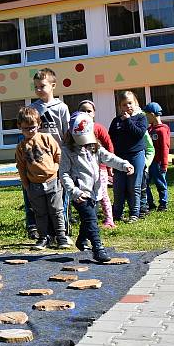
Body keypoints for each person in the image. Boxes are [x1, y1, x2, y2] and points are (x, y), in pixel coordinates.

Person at [61, 112, 134, 263]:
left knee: (88, 219)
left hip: (95, 192)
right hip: (80, 193)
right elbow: (64, 174)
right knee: (91, 219)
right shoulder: (68, 151)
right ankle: (98, 249)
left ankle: (81, 241)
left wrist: (124, 165)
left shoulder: (95, 148)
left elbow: (109, 158)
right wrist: (74, 191)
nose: (83, 143)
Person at [15, 106, 70, 250]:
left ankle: (61, 236)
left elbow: (58, 155)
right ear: (19, 127)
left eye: (32, 127)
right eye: (26, 128)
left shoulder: (46, 138)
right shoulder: (21, 147)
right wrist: (26, 185)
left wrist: (58, 171)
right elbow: (21, 167)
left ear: (39, 125)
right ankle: (43, 237)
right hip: (34, 185)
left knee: (56, 210)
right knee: (40, 213)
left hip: (53, 181)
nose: (30, 131)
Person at [30, 67, 72, 235]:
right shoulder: (33, 108)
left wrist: (67, 156)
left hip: (58, 157)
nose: (39, 90)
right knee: (41, 195)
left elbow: (66, 133)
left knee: (60, 193)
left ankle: (62, 229)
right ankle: (43, 230)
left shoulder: (62, 107)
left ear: (53, 85)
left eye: (42, 86)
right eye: (36, 87)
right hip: (39, 158)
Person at [108, 91, 148, 223]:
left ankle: (134, 213)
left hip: (136, 155)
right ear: (120, 106)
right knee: (118, 187)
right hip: (120, 158)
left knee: (134, 186)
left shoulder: (141, 118)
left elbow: (138, 133)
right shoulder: (116, 121)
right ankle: (117, 214)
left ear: (135, 103)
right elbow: (110, 139)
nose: (128, 106)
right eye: (124, 105)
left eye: (130, 103)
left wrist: (128, 120)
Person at [77, 100, 115, 229]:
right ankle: (89, 218)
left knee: (102, 193)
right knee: (86, 194)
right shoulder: (76, 129)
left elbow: (109, 146)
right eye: (83, 110)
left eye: (89, 111)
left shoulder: (98, 128)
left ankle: (109, 220)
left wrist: (109, 167)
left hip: (100, 169)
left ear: (94, 113)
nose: (86, 113)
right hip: (83, 169)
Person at [144, 102, 171, 211]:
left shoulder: (162, 130)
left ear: (152, 114)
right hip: (149, 162)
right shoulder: (149, 130)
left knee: (160, 183)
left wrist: (164, 164)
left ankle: (163, 203)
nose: (145, 117)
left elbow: (165, 148)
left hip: (158, 162)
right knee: (144, 183)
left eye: (147, 114)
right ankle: (150, 203)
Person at [138, 129, 156, 218]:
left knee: (143, 189)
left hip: (142, 167)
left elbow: (150, 149)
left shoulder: (142, 131)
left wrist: (146, 163)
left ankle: (143, 209)